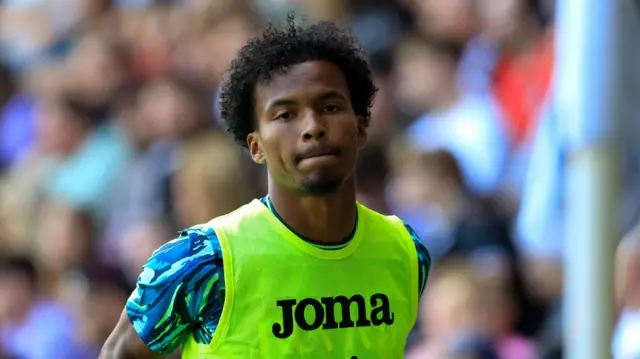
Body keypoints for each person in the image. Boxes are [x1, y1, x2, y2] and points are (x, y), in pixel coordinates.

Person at [100, 13, 431, 359]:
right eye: (285, 114)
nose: (313, 127)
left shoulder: (407, 251)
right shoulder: (202, 260)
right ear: (255, 145)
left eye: (330, 107)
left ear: (361, 127)